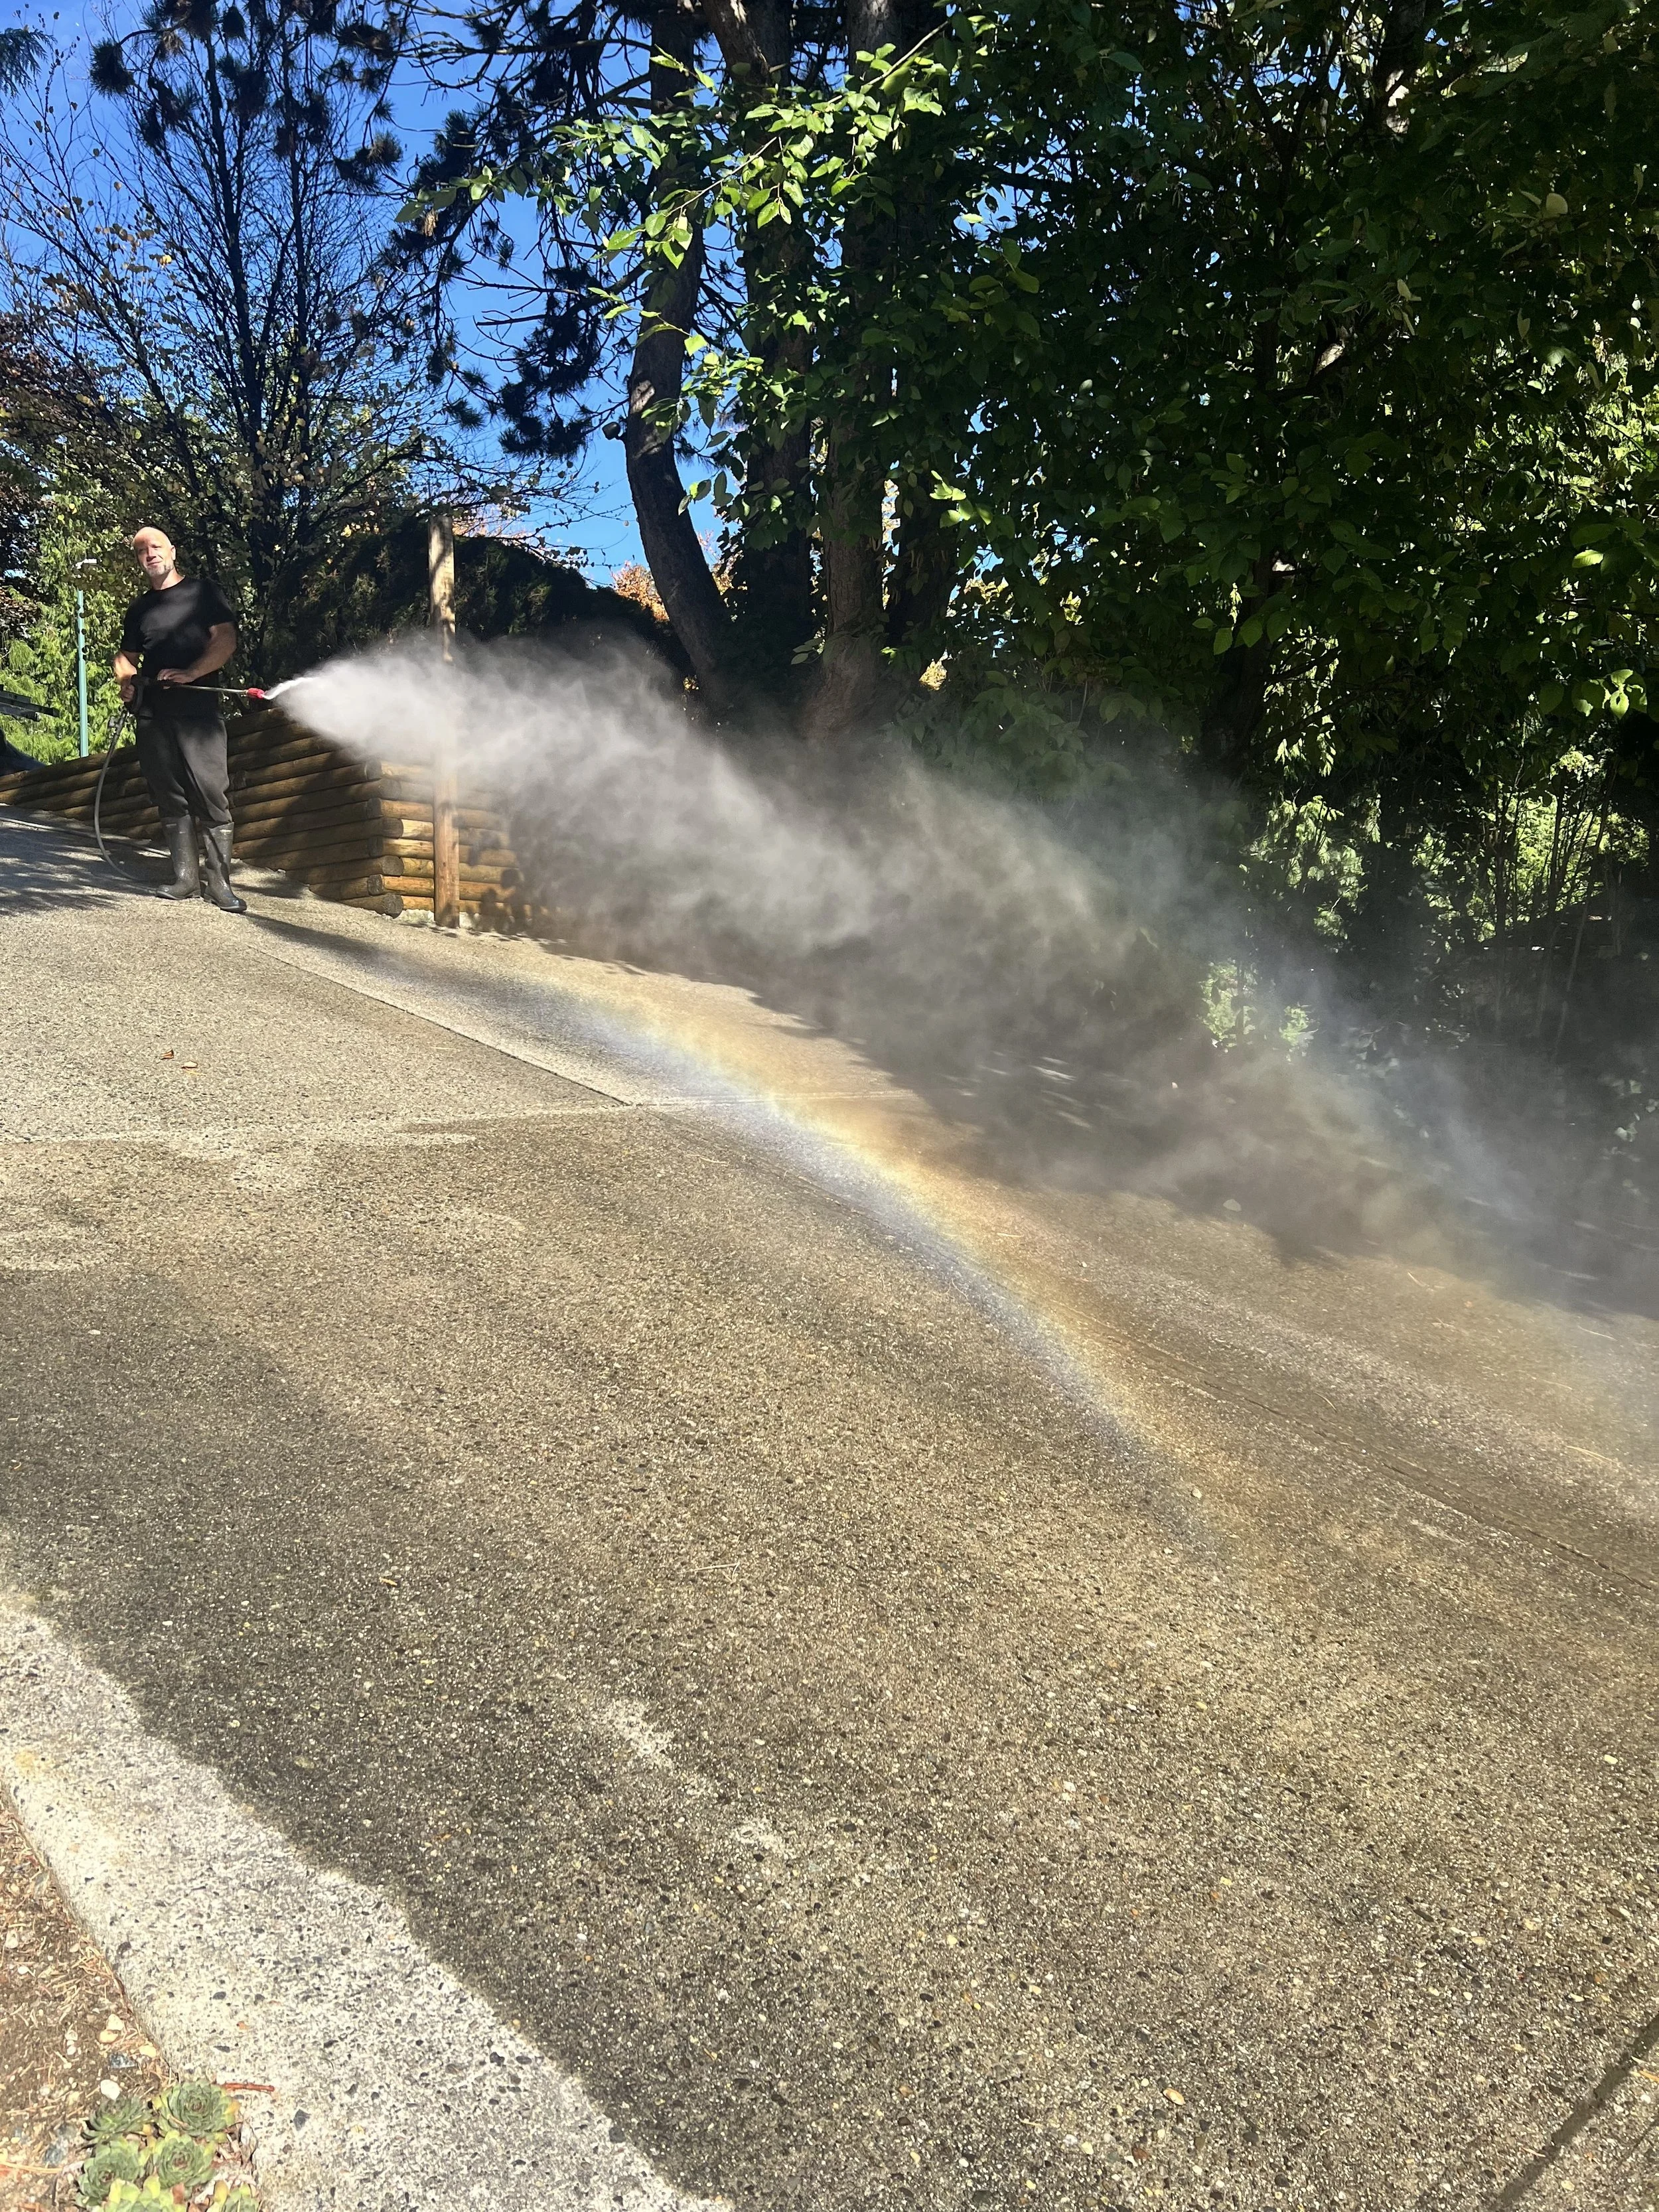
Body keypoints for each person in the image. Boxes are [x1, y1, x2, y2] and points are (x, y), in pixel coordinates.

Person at [113, 527, 246, 912]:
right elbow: (125, 658)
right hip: (152, 714)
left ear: (172, 551)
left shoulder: (204, 593)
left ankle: (220, 886)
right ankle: (186, 880)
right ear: (138, 560)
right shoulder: (139, 609)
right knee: (168, 795)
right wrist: (127, 681)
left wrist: (192, 673)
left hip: (197, 714)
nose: (150, 554)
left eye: (156, 547)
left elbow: (225, 641)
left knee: (211, 794)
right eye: (142, 551)